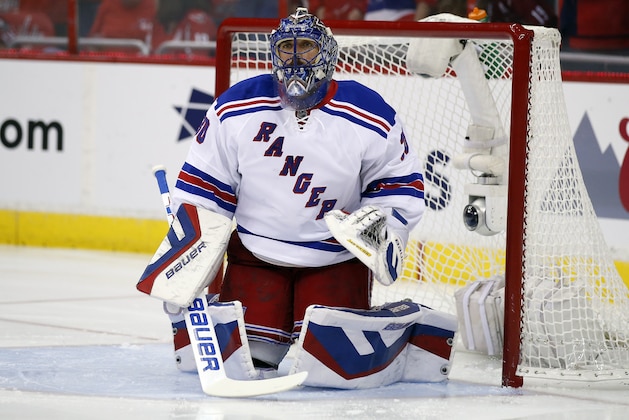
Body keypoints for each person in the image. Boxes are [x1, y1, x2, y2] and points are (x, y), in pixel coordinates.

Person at [167, 7, 426, 371]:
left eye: (305, 46)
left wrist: (382, 230)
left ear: (328, 52)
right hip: (256, 255)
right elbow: (205, 189)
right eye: (286, 48)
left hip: (335, 260)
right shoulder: (236, 107)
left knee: (325, 365)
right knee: (254, 357)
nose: (295, 57)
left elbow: (398, 187)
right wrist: (190, 263)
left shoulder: (370, 113)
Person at [88, 0, 156, 53]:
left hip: (140, 63)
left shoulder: (151, 5)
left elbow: (159, 46)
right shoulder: (109, 3)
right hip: (108, 61)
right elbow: (91, 41)